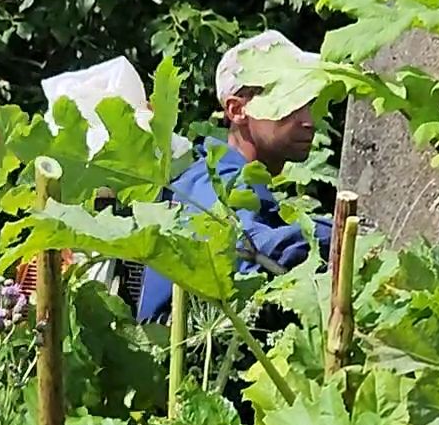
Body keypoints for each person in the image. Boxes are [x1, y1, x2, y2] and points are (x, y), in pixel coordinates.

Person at [134, 32, 331, 322]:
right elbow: (256, 249)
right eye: (289, 102)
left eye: (308, 103)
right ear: (237, 110)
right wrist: (343, 236)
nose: (308, 121)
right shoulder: (211, 182)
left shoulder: (228, 178)